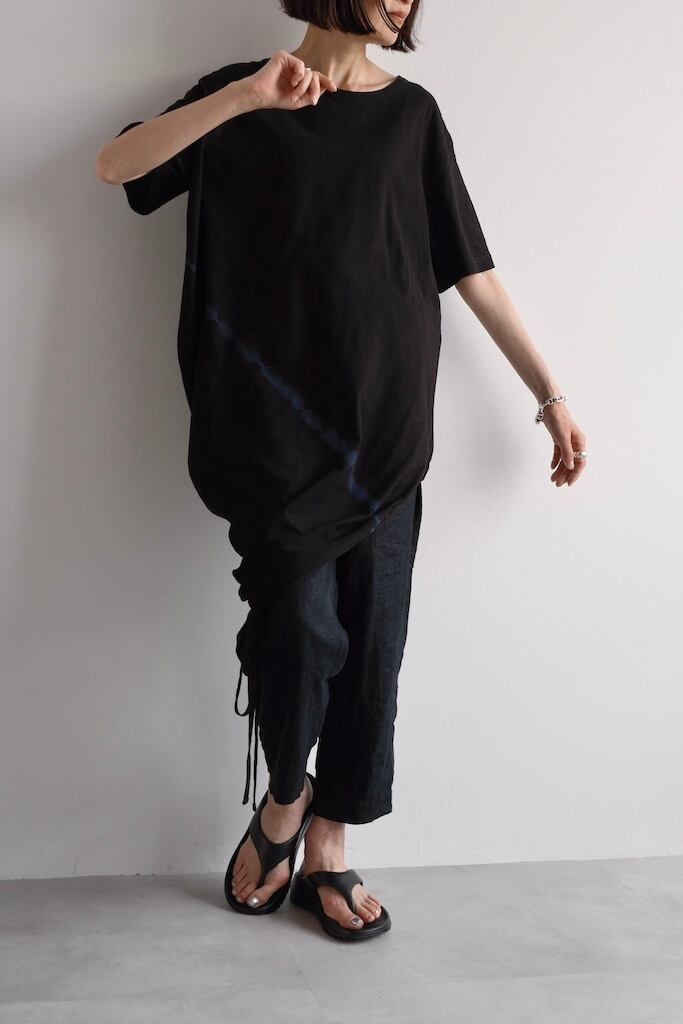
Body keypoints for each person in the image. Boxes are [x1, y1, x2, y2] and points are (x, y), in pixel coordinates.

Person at [96, 0, 587, 942]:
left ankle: (329, 842)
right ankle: (288, 795)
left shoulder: (412, 118)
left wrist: (549, 395)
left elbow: (471, 268)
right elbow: (118, 167)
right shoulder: (242, 97)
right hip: (271, 434)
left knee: (373, 650)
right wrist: (246, 97)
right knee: (302, 631)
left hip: (386, 428)